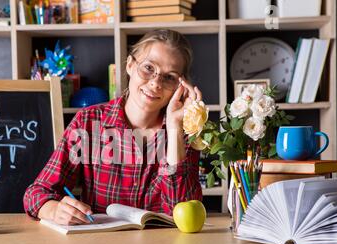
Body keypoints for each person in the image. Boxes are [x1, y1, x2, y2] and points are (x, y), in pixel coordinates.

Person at [24, 29, 203, 224]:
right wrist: (54, 210)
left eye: (169, 77)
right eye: (149, 68)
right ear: (130, 65)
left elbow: (185, 212)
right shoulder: (88, 123)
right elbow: (36, 193)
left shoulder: (185, 133)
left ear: (180, 86)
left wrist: (175, 127)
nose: (156, 83)